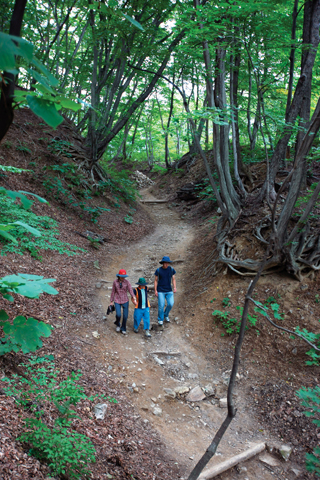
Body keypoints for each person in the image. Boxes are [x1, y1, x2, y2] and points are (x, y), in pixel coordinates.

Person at [109, 269, 136, 335]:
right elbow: (113, 291)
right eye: (121, 276)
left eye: (124, 276)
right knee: (118, 314)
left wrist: (133, 297)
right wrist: (111, 301)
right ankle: (118, 324)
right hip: (117, 300)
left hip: (125, 300)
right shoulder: (115, 282)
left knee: (125, 316)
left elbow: (130, 290)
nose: (123, 277)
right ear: (119, 276)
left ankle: (123, 328)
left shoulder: (127, 282)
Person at [154, 256, 176, 328]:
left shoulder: (171, 269)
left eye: (168, 263)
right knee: (161, 305)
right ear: (162, 263)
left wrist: (174, 287)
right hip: (160, 290)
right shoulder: (158, 270)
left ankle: (165, 314)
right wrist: (155, 290)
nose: (166, 264)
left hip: (169, 290)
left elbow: (173, 279)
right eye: (165, 263)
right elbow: (156, 280)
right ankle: (160, 319)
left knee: (171, 303)